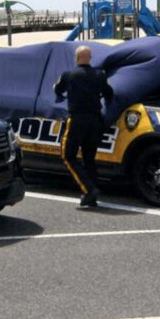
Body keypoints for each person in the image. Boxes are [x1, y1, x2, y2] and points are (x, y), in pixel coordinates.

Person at [53, 46, 114, 207]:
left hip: (77, 120)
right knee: (89, 159)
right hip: (95, 121)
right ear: (90, 58)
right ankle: (91, 198)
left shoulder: (69, 75)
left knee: (68, 155)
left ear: (76, 58)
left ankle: (89, 189)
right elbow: (109, 93)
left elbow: (57, 90)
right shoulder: (99, 75)